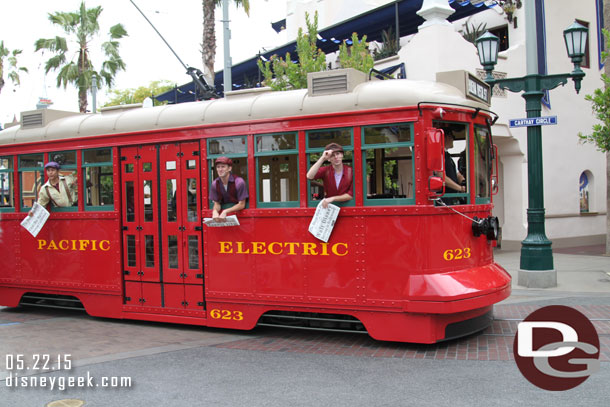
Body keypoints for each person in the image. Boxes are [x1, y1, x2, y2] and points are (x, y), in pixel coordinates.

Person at [306, 143, 353, 208]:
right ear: (328, 159)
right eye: (332, 155)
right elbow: (309, 176)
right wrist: (322, 158)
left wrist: (332, 198)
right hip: (329, 209)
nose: (336, 157)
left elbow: (351, 195)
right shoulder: (326, 170)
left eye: (338, 154)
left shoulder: (351, 171)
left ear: (342, 155)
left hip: (348, 207)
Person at [209, 156, 248, 221]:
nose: (220, 169)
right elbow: (217, 203)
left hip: (240, 218)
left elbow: (242, 204)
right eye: (218, 167)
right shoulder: (215, 184)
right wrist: (215, 211)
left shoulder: (239, 182)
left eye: (223, 167)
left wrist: (225, 211)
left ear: (229, 168)